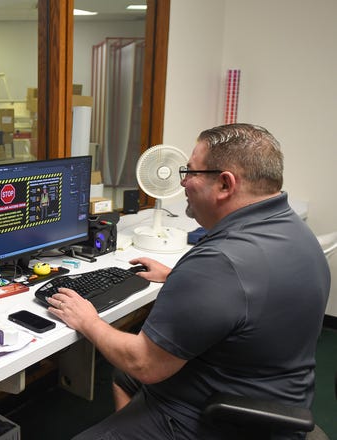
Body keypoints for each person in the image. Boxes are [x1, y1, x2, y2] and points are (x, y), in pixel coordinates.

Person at [46, 123, 330, 439]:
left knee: (126, 375)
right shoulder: (294, 230)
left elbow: (143, 364)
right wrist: (175, 277)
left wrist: (87, 321)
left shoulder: (219, 265)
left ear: (225, 184)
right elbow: (255, 291)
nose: (183, 181)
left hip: (220, 418)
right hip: (276, 395)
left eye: (191, 171)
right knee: (122, 378)